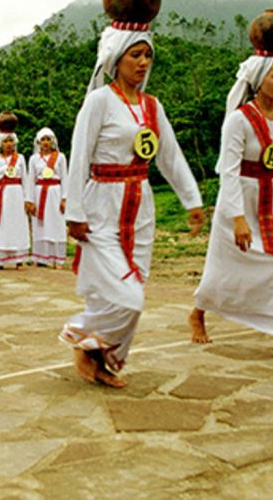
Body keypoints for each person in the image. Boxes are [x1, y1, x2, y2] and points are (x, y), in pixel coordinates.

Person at [62, 21, 204, 388]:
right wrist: (74, 211)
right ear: (116, 58)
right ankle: (83, 336)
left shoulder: (152, 107)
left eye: (147, 56)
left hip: (140, 205)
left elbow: (169, 157)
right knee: (127, 295)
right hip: (101, 205)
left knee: (133, 286)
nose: (142, 63)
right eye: (135, 55)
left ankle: (102, 357)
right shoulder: (99, 101)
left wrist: (192, 199)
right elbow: (79, 156)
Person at [189, 52, 273, 356]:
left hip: (271, 199)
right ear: (259, 81)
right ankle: (198, 312)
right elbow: (229, 170)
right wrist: (237, 217)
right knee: (223, 268)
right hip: (239, 200)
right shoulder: (239, 120)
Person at [0, 114, 31, 269]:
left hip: (17, 194)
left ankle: (19, 259)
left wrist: (28, 199)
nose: (8, 144)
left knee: (18, 225)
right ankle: (0, 260)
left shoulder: (20, 158)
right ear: (0, 143)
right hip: (2, 195)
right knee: (3, 226)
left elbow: (25, 180)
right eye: (5, 141)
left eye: (11, 140)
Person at [26, 127, 68, 269]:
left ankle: (57, 259)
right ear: (38, 142)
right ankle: (40, 257)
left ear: (52, 141)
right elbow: (30, 180)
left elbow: (64, 178)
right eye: (43, 139)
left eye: (48, 139)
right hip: (39, 193)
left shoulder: (60, 157)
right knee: (40, 225)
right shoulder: (34, 159)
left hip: (55, 192)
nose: (45, 142)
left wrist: (64, 198)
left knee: (56, 224)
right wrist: (29, 200)